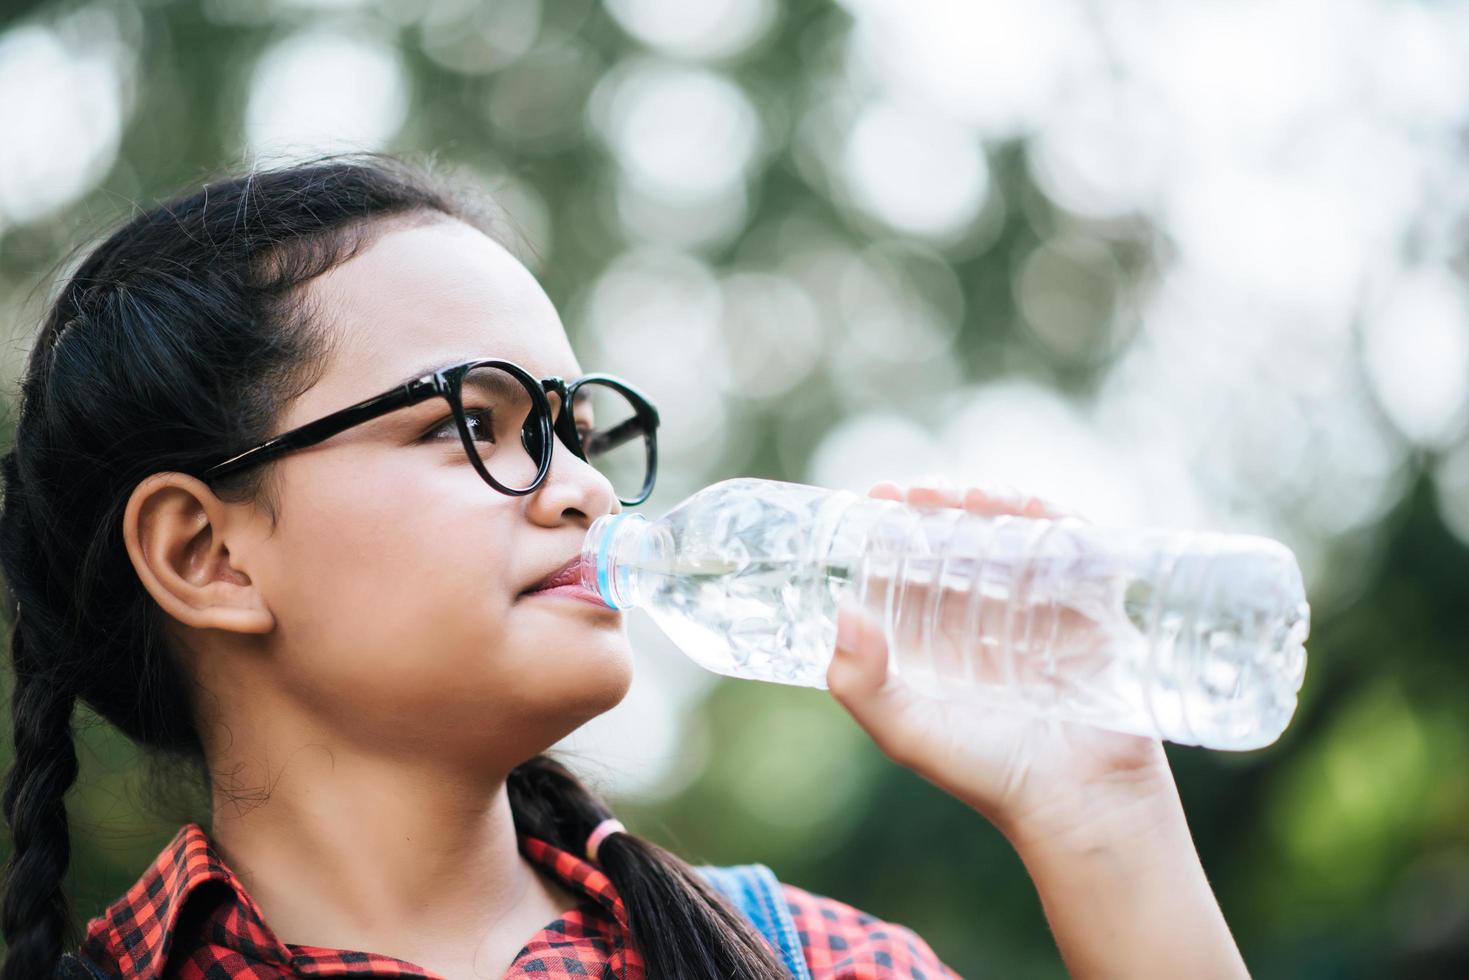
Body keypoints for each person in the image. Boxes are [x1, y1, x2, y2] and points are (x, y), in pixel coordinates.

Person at [0, 153, 1249, 979]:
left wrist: (1100, 818)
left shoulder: (804, 958)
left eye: (573, 431)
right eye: (473, 426)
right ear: (206, 553)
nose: (584, 486)